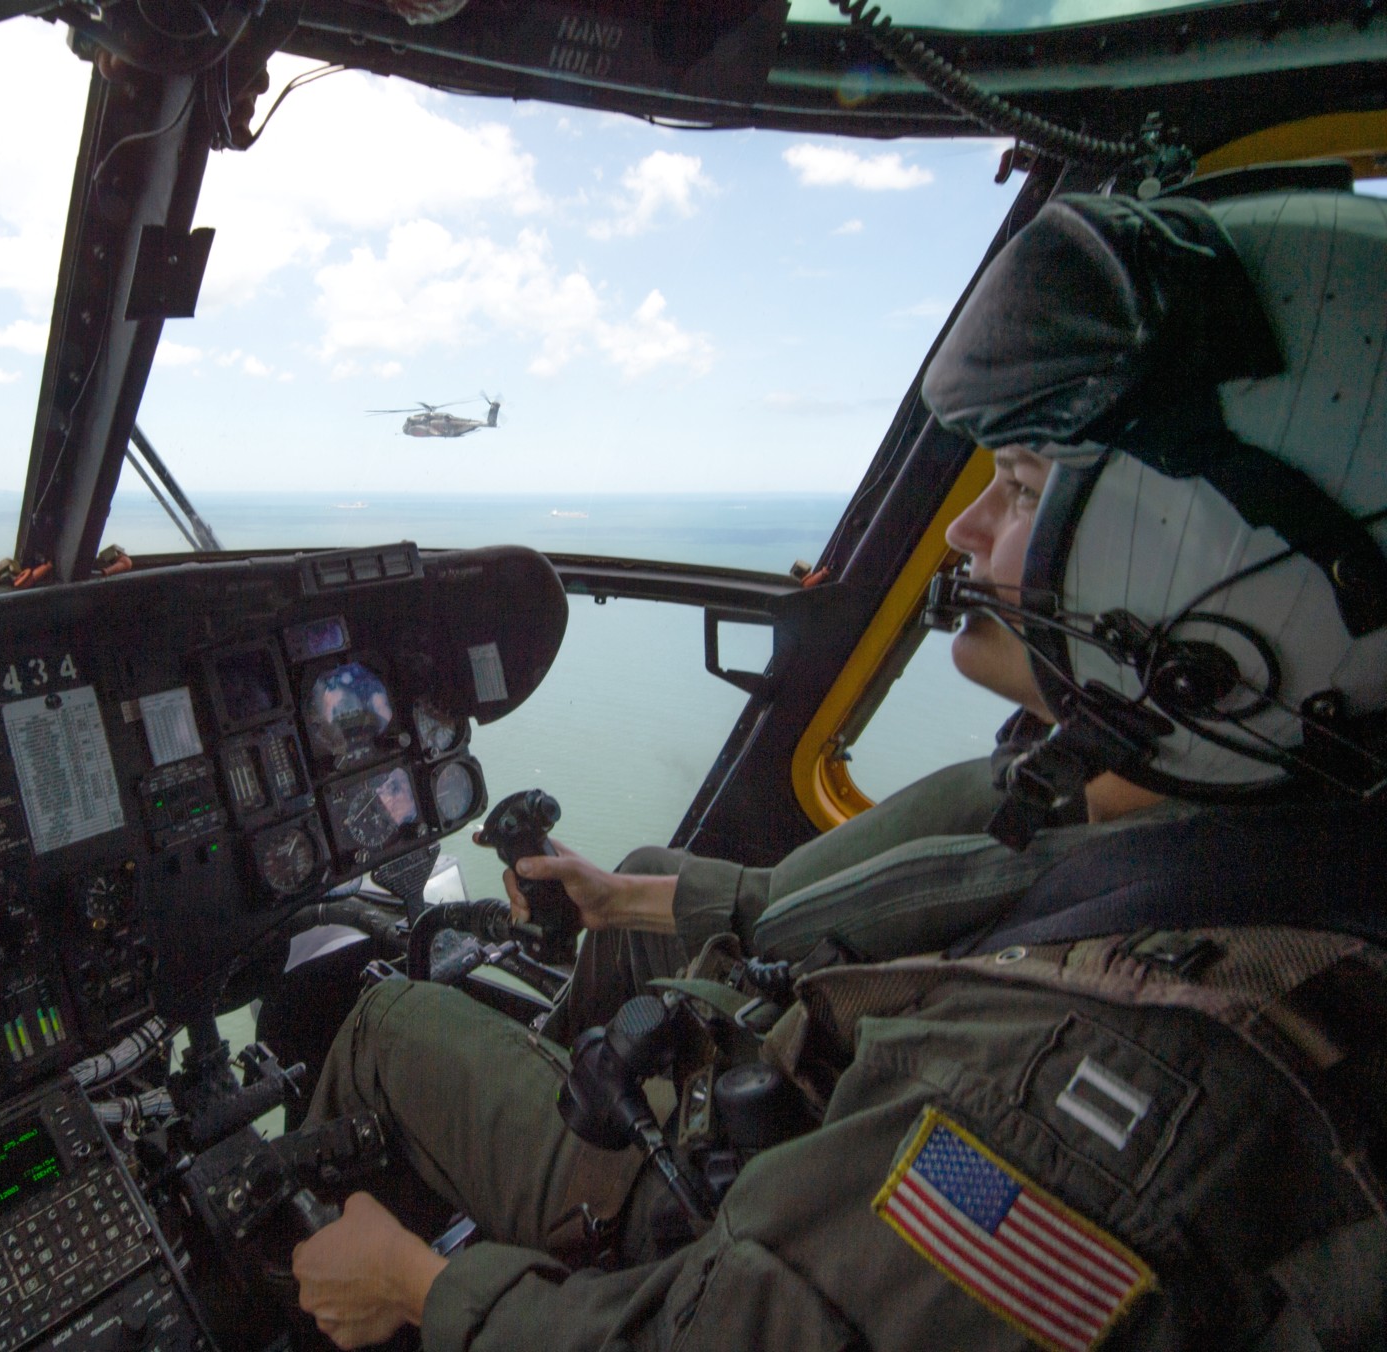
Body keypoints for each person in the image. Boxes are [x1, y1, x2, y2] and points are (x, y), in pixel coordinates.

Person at [289, 185, 1387, 1350]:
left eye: (1014, 489)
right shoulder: (1153, 813)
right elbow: (886, 901)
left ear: (1192, 570)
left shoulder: (1094, 1110)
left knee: (388, 1022)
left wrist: (417, 1285)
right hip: (792, 1108)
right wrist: (614, 898)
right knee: (651, 876)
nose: (962, 531)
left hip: (720, 1216)